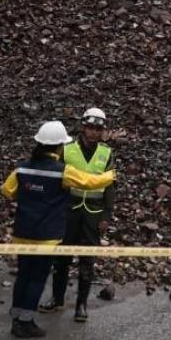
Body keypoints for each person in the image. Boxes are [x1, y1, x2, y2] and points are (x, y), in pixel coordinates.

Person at [1, 121, 116, 338]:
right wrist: (111, 175)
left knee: (23, 276)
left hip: (22, 233)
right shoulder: (62, 172)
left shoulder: (21, 168)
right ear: (58, 148)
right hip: (45, 237)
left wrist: (29, 195)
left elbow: (7, 191)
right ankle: (26, 322)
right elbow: (90, 182)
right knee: (37, 278)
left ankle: (16, 318)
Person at [40, 107, 115, 322]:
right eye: (90, 127)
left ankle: (81, 305)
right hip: (68, 210)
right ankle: (57, 298)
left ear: (103, 131)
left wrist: (106, 217)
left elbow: (110, 186)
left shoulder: (106, 153)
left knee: (87, 260)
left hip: (93, 212)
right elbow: (55, 179)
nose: (93, 132)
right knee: (61, 258)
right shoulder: (67, 149)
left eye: (98, 129)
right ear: (83, 127)